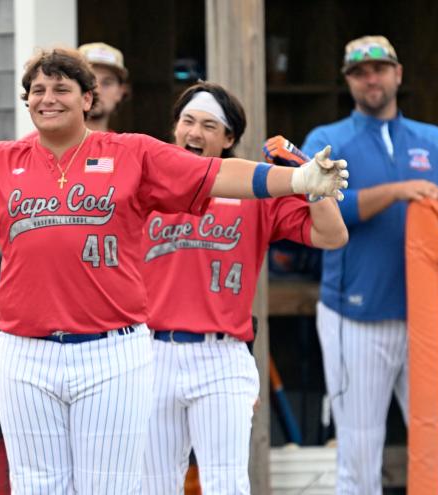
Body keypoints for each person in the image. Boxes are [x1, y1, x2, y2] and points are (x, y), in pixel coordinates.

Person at [0, 47, 348, 493]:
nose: (47, 97)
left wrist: (298, 181)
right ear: (26, 102)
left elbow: (218, 178)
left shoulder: (132, 153)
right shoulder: (0, 161)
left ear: (87, 98)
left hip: (112, 351)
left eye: (61, 88)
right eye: (37, 90)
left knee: (111, 488)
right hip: (26, 353)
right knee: (37, 487)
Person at [138, 82, 348, 493]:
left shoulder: (256, 191)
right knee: (153, 483)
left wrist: (310, 182)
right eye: (187, 121)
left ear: (229, 138)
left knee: (226, 483)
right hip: (151, 350)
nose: (195, 133)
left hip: (221, 353)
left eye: (209, 125)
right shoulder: (147, 185)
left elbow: (332, 235)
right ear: (175, 128)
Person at [302, 35, 438, 493]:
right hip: (356, 315)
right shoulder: (327, 140)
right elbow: (320, 208)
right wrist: (398, 191)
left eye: (379, 68)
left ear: (398, 74)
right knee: (359, 449)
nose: (371, 78)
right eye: (359, 72)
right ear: (349, 82)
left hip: (429, 318)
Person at [78, 42, 129, 132]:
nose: (96, 90)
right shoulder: (49, 143)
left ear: (120, 92)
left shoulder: (126, 146)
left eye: (107, 83)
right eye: (88, 81)